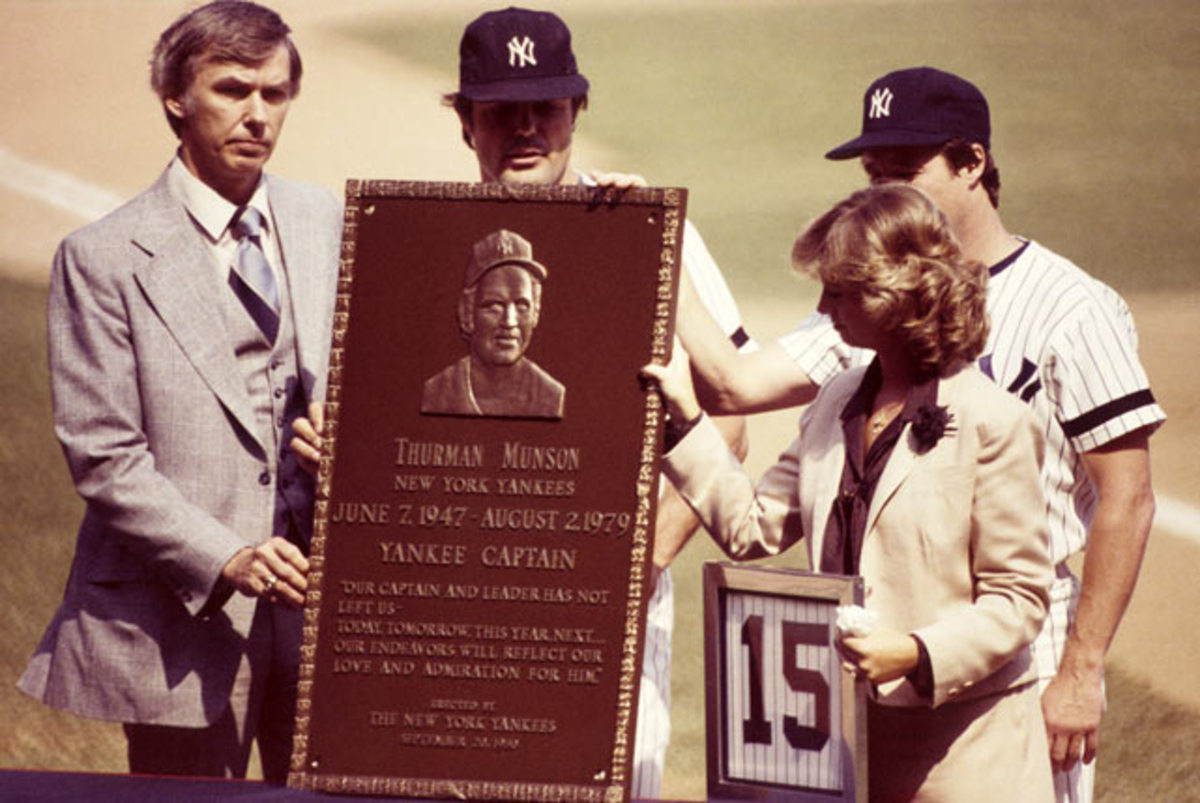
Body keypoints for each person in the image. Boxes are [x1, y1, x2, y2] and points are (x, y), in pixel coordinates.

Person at [292, 7, 751, 797]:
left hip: (605, 624)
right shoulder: (415, 241)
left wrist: (634, 561)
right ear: (467, 124)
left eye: (548, 107)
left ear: (580, 111)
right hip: (446, 623)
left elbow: (733, 420)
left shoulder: (645, 233)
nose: (528, 128)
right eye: (503, 111)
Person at [679, 66, 1163, 802]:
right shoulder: (859, 327)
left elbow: (1125, 500)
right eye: (873, 174)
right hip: (860, 670)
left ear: (973, 163)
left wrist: (1081, 669)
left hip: (1017, 647)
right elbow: (736, 390)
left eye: (903, 172)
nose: (883, 191)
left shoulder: (1074, 308)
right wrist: (657, 246)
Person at [18, 0, 341, 783]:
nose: (257, 114)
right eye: (233, 90)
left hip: (322, 613)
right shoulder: (101, 258)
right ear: (176, 97)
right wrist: (225, 555)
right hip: (180, 618)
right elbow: (105, 458)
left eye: (275, 93)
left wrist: (349, 435)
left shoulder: (323, 218)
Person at [646, 183, 1055, 801]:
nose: (823, 304)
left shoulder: (992, 420)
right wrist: (684, 415)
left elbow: (1019, 599)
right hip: (844, 747)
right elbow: (750, 527)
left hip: (967, 754)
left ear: (894, 290)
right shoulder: (835, 400)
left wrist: (916, 652)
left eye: (838, 290)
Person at [422, 228, 565, 418]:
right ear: (467, 312)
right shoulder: (437, 392)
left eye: (522, 305)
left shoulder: (551, 396)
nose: (509, 321)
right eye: (494, 305)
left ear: (535, 313)